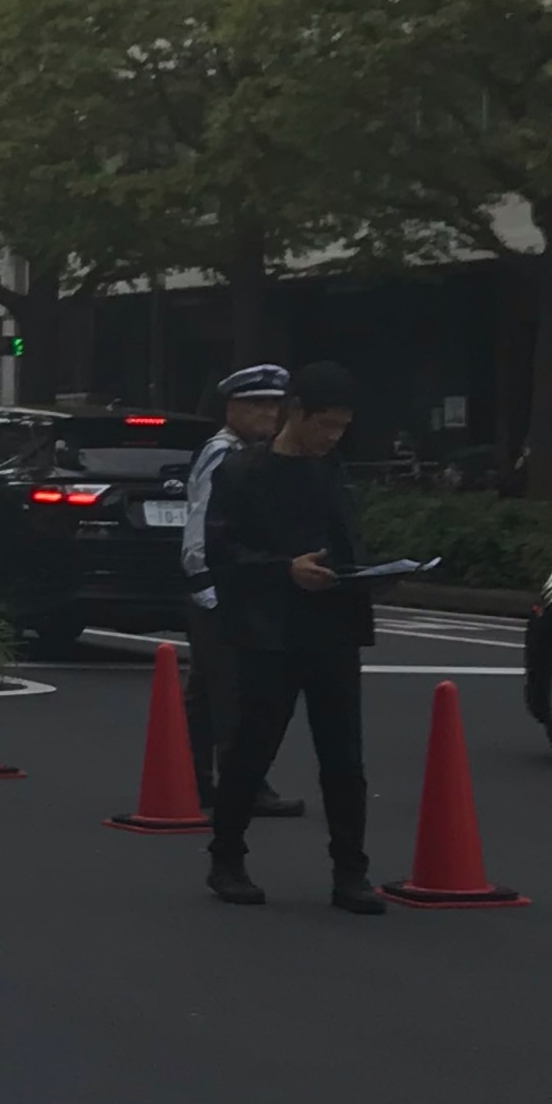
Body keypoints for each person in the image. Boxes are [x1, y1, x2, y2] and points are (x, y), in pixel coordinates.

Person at [203, 361, 385, 915]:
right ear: (297, 412)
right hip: (269, 631)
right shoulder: (242, 471)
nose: (332, 437)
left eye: (342, 428)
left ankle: (350, 872)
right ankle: (226, 858)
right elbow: (222, 554)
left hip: (333, 626)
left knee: (344, 758)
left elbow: (347, 539)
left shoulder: (332, 469)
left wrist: (368, 574)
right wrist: (285, 569)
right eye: (325, 425)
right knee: (251, 750)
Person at [180, 366, 302, 818]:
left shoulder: (247, 453)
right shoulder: (223, 454)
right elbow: (201, 523)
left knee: (207, 693)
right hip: (222, 590)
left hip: (224, 588)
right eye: (256, 404)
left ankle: (195, 780)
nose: (267, 413)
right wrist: (206, 586)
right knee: (236, 692)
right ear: (231, 408)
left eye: (273, 404)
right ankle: (245, 786)